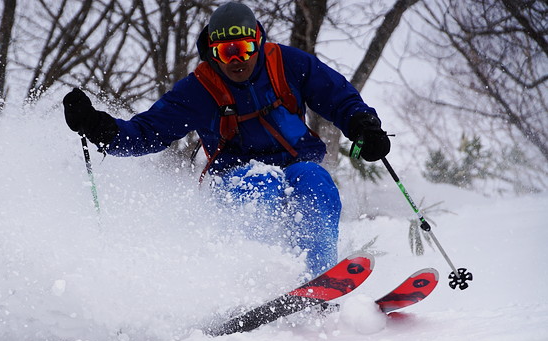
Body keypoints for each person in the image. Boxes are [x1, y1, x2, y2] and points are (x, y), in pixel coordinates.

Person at [63, 2, 390, 275]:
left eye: (244, 48)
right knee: (261, 185)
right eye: (226, 51)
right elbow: (148, 132)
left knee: (316, 180)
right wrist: (99, 128)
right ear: (213, 51)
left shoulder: (288, 64)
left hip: (296, 163)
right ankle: (258, 281)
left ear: (258, 43)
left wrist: (364, 125)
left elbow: (338, 97)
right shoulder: (199, 89)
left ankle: (317, 277)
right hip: (235, 176)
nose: (237, 60)